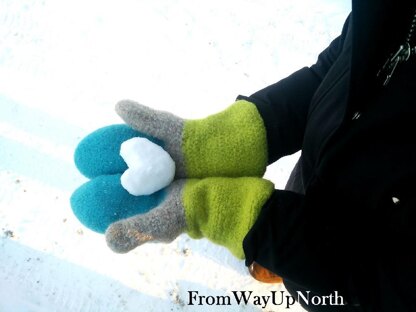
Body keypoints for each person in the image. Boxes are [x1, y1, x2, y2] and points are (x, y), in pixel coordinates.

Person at [71, 1, 416, 311]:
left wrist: (248, 222)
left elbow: (396, 277)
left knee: (315, 289)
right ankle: (280, 265)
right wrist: (229, 136)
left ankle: (289, 270)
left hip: (351, 287)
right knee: (294, 254)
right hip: (311, 190)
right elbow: (342, 65)